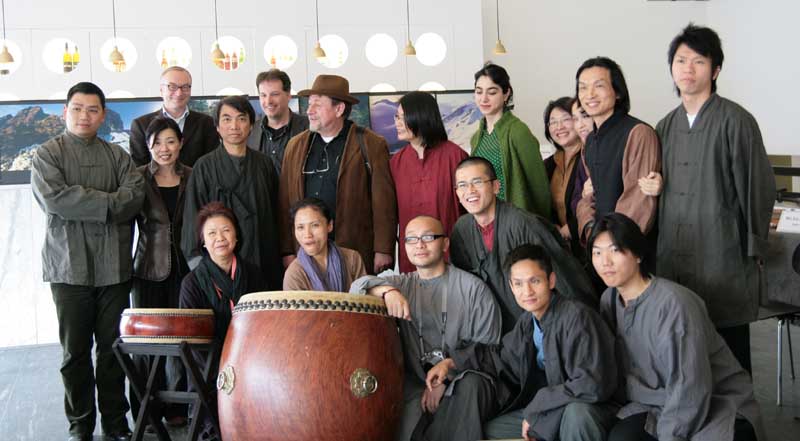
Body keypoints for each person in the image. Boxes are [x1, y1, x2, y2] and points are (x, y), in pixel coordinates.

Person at [651, 24, 776, 374]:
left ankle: (738, 411)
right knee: (683, 348)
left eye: (699, 61)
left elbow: (758, 186)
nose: (688, 69)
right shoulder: (664, 126)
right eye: (680, 60)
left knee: (730, 353)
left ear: (715, 69)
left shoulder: (736, 121)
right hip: (674, 252)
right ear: (671, 68)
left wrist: (754, 247)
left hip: (722, 253)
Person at [31, 82, 144, 441]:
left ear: (102, 115)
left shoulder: (118, 156)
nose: (85, 116)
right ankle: (80, 425)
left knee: (112, 351)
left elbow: (134, 196)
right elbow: (55, 200)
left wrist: (86, 203)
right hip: (68, 267)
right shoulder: (47, 154)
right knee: (75, 353)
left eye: (93, 109)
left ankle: (115, 423)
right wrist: (109, 203)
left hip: (114, 267)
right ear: (65, 112)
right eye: (78, 108)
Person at [589, 213, 766, 441]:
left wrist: (671, 436)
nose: (605, 262)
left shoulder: (674, 304)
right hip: (656, 402)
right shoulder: (609, 300)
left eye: (615, 250)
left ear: (638, 254)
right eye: (597, 252)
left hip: (714, 403)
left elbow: (690, 386)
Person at [437, 244, 617, 441]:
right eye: (519, 284)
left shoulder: (577, 317)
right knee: (491, 430)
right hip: (550, 407)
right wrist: (452, 362)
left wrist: (539, 405)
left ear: (551, 280)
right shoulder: (527, 323)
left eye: (535, 281)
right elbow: (501, 358)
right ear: (511, 287)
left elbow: (591, 383)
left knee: (577, 413)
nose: (527, 291)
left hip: (585, 407)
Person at [350, 215, 501, 441]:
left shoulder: (473, 289)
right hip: (418, 384)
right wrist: (387, 292)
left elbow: (491, 350)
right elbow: (356, 288)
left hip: (466, 377)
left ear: (445, 244)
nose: (419, 245)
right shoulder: (402, 284)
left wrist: (448, 376)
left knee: (470, 386)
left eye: (428, 237)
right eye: (411, 239)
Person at [449, 157, 595, 333]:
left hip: (542, 326)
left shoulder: (522, 223)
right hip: (497, 329)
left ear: (495, 186)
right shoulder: (462, 229)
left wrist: (578, 327)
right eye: (462, 185)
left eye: (477, 182)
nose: (470, 190)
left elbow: (563, 278)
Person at [279, 74, 397, 274]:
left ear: (339, 109)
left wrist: (383, 249)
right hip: (306, 250)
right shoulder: (295, 145)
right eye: (309, 104)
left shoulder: (371, 144)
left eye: (317, 105)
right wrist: (287, 250)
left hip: (353, 246)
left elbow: (384, 202)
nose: (309, 111)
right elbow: (285, 201)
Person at [179, 202, 266, 441]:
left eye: (226, 230)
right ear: (203, 242)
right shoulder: (191, 283)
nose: (220, 238)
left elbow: (264, 325)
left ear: (236, 236)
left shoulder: (254, 274)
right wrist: (223, 368)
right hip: (209, 368)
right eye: (211, 233)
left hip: (251, 364)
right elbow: (192, 340)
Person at [181, 95, 282, 289]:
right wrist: (200, 268)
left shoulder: (264, 164)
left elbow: (276, 213)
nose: (234, 126)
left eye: (241, 118)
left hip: (264, 259)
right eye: (227, 119)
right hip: (220, 265)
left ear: (251, 125)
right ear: (217, 127)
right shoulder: (204, 167)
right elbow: (192, 220)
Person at [129, 116, 191, 427]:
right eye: (157, 143)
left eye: (170, 141)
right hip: (147, 268)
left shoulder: (193, 175)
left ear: (180, 143)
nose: (164, 148)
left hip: (186, 269)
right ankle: (146, 411)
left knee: (181, 341)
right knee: (146, 344)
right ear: (148, 146)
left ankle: (178, 406)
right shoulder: (137, 177)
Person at [574, 57, 661, 242]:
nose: (589, 94)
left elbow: (638, 201)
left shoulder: (638, 133)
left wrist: (611, 243)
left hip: (628, 246)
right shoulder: (589, 142)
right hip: (599, 245)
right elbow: (589, 196)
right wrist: (591, 231)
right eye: (583, 87)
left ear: (618, 92)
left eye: (599, 85)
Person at [390, 91, 467, 273]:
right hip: (413, 258)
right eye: (396, 117)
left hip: (452, 254)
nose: (397, 123)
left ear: (421, 116)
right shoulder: (396, 163)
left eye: (403, 117)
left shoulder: (455, 156)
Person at [471, 63, 550, 218]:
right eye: (479, 92)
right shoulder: (476, 137)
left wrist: (544, 222)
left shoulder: (518, 131)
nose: (484, 98)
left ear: (506, 94)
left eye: (492, 92)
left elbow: (538, 184)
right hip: (485, 218)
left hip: (514, 218)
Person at [130, 66, 218, 167]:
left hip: (197, 177)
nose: (179, 93)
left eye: (185, 87)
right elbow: (139, 168)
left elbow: (211, 164)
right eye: (172, 86)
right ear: (161, 90)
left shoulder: (207, 123)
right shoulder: (141, 125)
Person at [283, 197, 367, 291]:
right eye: (300, 227)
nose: (307, 234)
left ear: (329, 225)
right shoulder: (294, 274)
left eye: (315, 225)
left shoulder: (352, 259)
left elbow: (365, 296)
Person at [247, 69, 309, 176]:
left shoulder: (308, 128)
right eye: (263, 95)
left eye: (274, 94)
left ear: (288, 95)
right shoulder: (251, 131)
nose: (268, 101)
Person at [543, 97, 586, 250]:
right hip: (560, 244)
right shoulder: (549, 164)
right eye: (553, 122)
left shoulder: (590, 157)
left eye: (566, 119)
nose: (559, 127)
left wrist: (572, 228)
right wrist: (552, 226)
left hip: (587, 241)